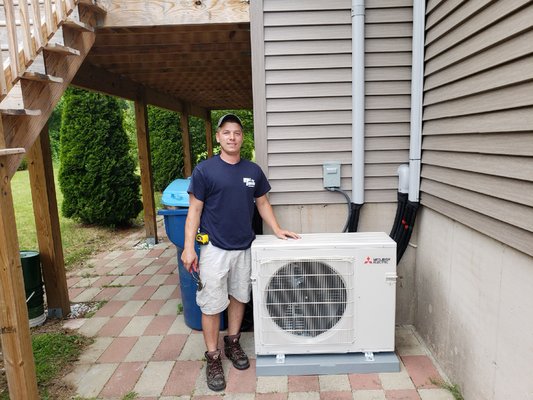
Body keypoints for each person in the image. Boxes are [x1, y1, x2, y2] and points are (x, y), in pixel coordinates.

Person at [181, 113, 299, 391]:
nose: (232, 137)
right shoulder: (205, 171)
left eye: (237, 133)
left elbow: (263, 203)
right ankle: (212, 357)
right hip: (214, 249)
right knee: (211, 304)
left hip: (245, 247)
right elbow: (194, 211)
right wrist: (189, 248)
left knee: (239, 297)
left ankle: (232, 342)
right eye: (227, 132)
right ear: (219, 137)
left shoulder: (253, 171)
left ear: (242, 138)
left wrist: (277, 230)